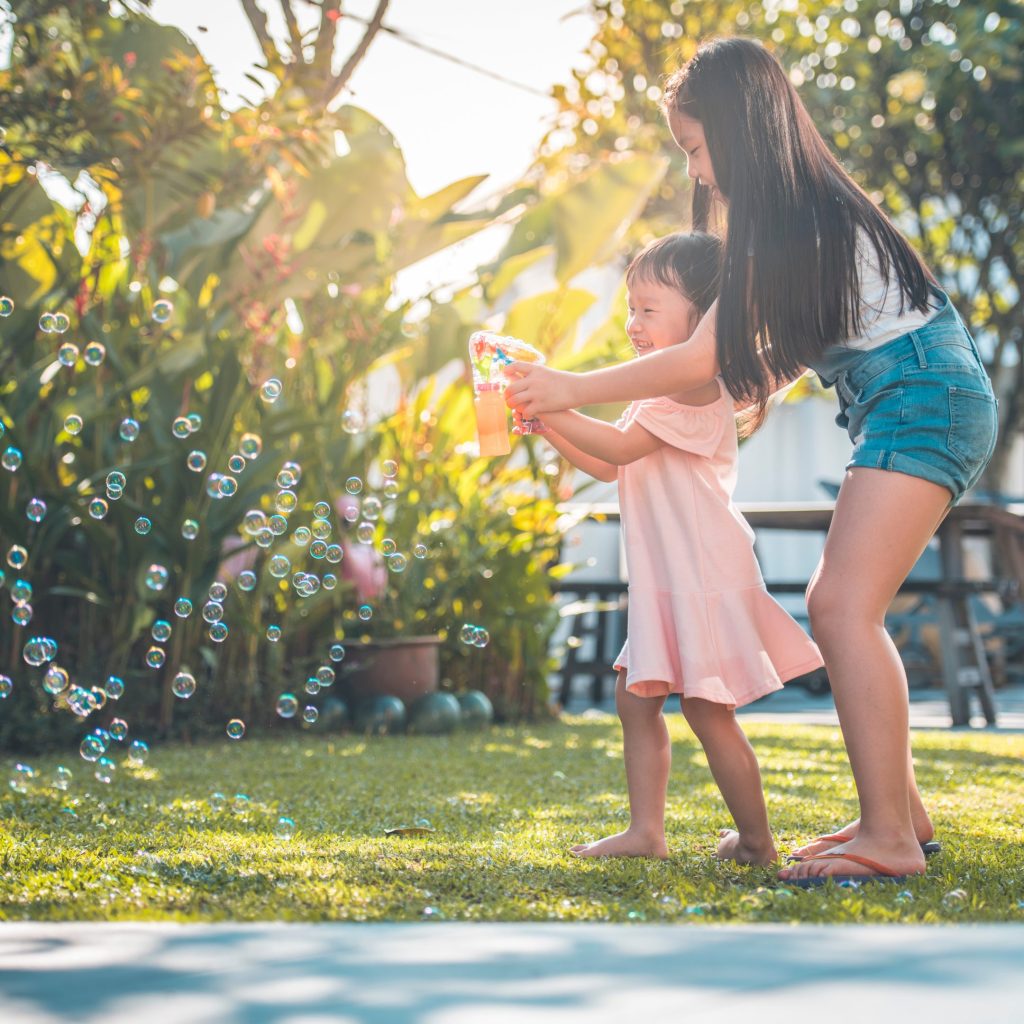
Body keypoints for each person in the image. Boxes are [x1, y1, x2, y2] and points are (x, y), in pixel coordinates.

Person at [507, 37, 998, 886]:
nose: (695, 172)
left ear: (737, 131)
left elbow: (702, 360)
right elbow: (771, 357)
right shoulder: (804, 216)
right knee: (840, 602)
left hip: (923, 395)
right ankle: (901, 819)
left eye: (695, 148)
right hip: (914, 393)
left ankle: (887, 839)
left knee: (842, 605)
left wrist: (567, 386)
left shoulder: (791, 217)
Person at [537, 232, 823, 864]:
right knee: (636, 699)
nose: (633, 322)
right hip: (669, 577)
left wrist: (553, 400)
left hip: (701, 572)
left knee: (706, 708)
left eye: (648, 308)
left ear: (704, 316)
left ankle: (755, 842)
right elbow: (612, 465)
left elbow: (616, 450)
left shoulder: (694, 386)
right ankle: (646, 833)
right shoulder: (658, 391)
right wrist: (547, 421)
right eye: (630, 308)